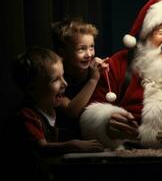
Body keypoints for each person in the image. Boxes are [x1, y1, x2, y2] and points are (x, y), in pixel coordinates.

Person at [80, 0, 162, 149]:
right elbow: (90, 111)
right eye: (161, 31)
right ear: (147, 35)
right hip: (129, 156)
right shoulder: (120, 63)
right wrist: (105, 123)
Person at [10, 47, 104, 178]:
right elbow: (42, 148)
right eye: (55, 80)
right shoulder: (27, 115)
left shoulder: (53, 110)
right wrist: (72, 145)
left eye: (63, 76)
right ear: (32, 89)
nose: (64, 83)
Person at [51, 18, 109, 141]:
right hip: (66, 137)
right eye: (81, 49)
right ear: (63, 52)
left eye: (91, 47)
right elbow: (71, 111)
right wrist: (93, 80)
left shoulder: (94, 70)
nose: (89, 54)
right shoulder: (58, 79)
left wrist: (107, 75)